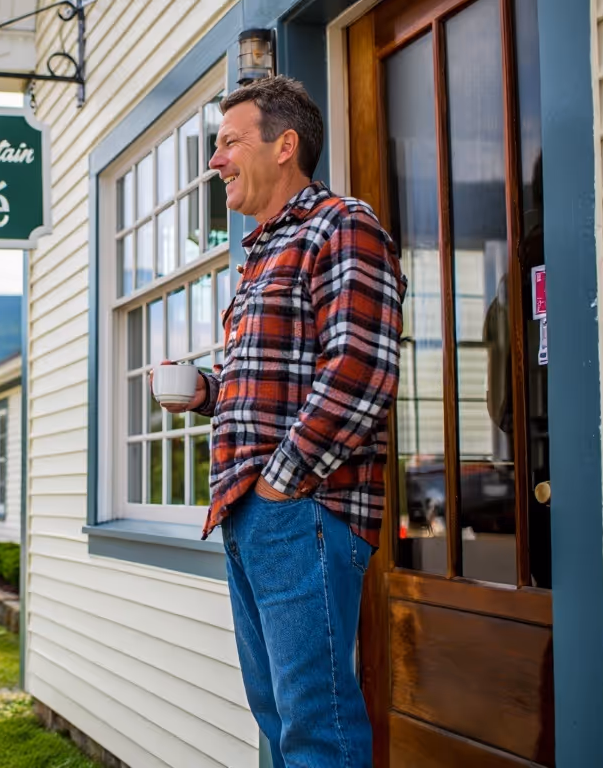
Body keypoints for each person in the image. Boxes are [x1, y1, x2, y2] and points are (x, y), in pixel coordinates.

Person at [158, 76, 405, 767]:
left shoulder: (342, 225)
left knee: (314, 727)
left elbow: (361, 370)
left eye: (229, 142)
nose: (216, 160)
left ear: (285, 145)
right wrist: (207, 392)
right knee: (279, 718)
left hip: (303, 509)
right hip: (251, 512)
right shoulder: (264, 250)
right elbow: (281, 380)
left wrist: (278, 484)